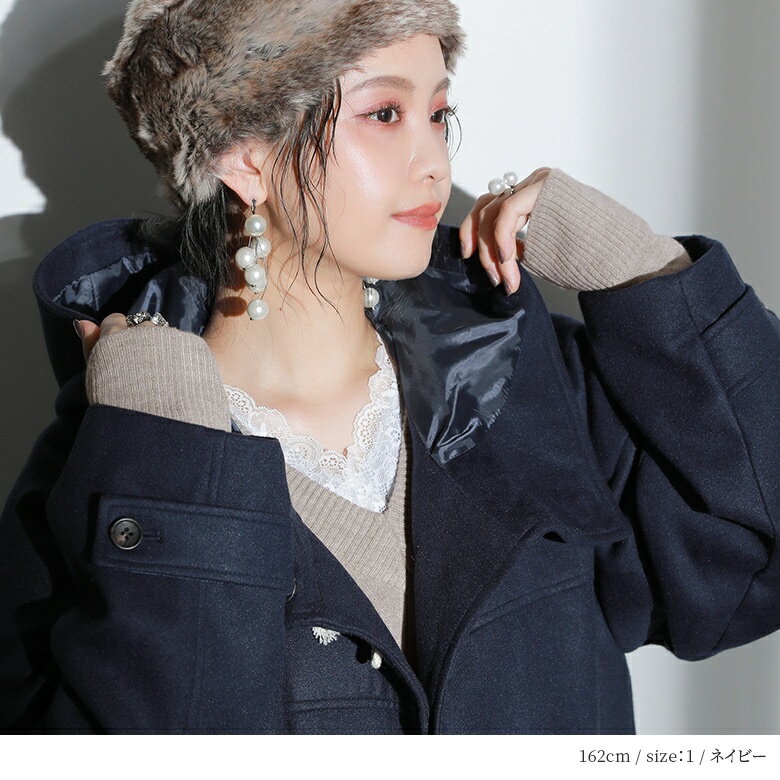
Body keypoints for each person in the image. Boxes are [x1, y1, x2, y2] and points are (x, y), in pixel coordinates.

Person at [1, 0, 778, 735]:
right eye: (384, 114)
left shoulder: (518, 383)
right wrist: (170, 465)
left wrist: (644, 275)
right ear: (243, 156)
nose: (434, 162)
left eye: (438, 114)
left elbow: (752, 563)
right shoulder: (116, 462)